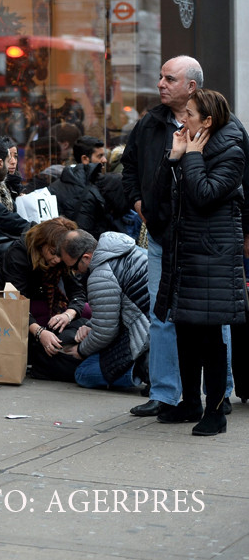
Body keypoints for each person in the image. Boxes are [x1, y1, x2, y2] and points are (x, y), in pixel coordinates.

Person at [151, 89, 246, 436]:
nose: (182, 119)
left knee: (208, 336)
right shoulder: (188, 143)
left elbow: (204, 195)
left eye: (189, 114)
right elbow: (161, 194)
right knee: (185, 330)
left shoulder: (231, 149)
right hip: (184, 250)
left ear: (207, 121)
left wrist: (190, 156)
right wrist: (174, 158)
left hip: (212, 255)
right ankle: (189, 402)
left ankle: (215, 411)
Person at [121, 55, 198, 417]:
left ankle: (219, 390)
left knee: (210, 316)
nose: (161, 84)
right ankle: (165, 392)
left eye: (169, 79)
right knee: (160, 312)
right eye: (161, 77)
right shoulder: (150, 123)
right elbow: (130, 165)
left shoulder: (220, 124)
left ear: (191, 86)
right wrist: (138, 200)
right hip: (160, 234)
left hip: (202, 237)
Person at [0, 217, 87, 382]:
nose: (57, 260)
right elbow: (14, 303)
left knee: (86, 311)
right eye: (53, 253)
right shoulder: (19, 253)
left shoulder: (63, 257)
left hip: (49, 304)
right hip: (19, 310)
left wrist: (68, 314)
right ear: (42, 243)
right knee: (55, 335)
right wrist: (39, 332)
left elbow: (78, 292)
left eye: (60, 255)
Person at [59, 230, 150, 390]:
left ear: (86, 257)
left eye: (73, 267)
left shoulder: (100, 275)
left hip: (144, 334)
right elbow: (117, 307)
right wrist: (90, 325)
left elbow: (105, 332)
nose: (75, 273)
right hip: (154, 324)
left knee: (83, 373)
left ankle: (143, 368)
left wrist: (81, 350)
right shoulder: (125, 249)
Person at [47, 135, 110, 237]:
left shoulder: (58, 184)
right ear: (85, 159)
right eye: (100, 156)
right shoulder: (90, 187)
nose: (105, 160)